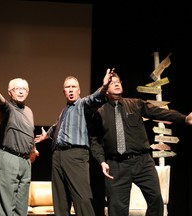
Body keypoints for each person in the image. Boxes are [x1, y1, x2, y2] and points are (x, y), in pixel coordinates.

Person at [90, 71, 192, 216]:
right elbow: (94, 140)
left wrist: (184, 119)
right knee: (116, 209)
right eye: (112, 83)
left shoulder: (135, 104)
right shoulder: (100, 112)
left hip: (142, 162)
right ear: (106, 88)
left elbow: (159, 113)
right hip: (116, 165)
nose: (117, 84)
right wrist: (101, 161)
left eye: (119, 82)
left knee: (156, 200)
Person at [34, 69, 113, 216]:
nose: (70, 90)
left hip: (75, 155)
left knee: (82, 198)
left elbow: (95, 98)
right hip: (58, 156)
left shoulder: (82, 104)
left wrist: (104, 86)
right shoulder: (64, 111)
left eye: (73, 87)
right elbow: (57, 125)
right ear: (64, 91)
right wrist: (48, 135)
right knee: (60, 200)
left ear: (79, 90)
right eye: (67, 87)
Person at [0, 76, 39, 216]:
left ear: (28, 92)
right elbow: (1, 102)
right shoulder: (8, 108)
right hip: (9, 157)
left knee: (21, 207)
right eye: (17, 89)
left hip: (25, 161)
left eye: (24, 89)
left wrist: (33, 149)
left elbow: (29, 133)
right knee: (6, 205)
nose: (21, 92)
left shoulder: (29, 111)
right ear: (10, 92)